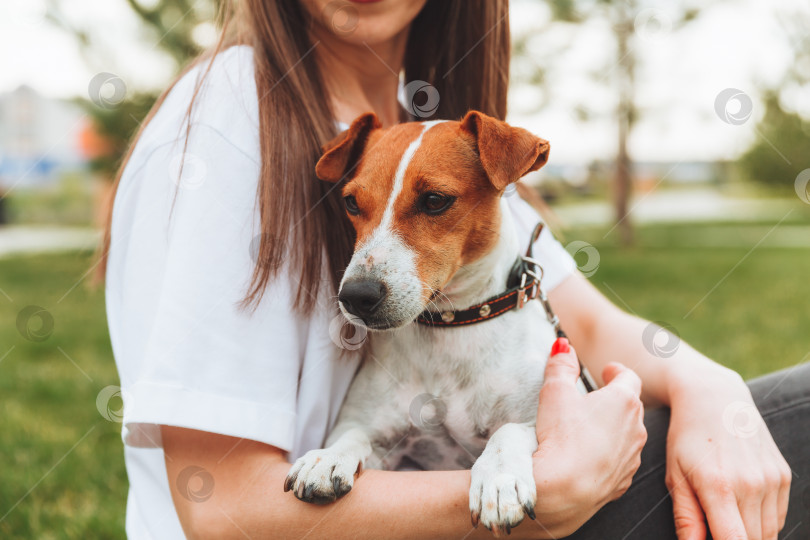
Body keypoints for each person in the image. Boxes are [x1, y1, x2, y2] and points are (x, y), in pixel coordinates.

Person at [101, 0, 809, 538]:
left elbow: (591, 321)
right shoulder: (225, 124)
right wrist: (538, 493)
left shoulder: (426, 136)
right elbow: (216, 505)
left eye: (431, 205)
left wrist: (710, 389)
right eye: (360, 209)